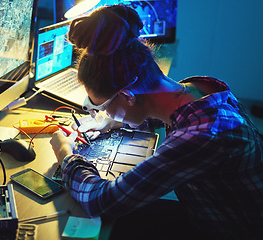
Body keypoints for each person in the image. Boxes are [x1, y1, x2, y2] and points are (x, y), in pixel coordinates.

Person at [50, 5, 263, 240]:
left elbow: (102, 200)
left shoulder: (204, 136)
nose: (102, 113)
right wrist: (110, 122)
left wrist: (65, 154)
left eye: (101, 107)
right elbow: (170, 118)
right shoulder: (198, 90)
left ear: (128, 96)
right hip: (209, 210)